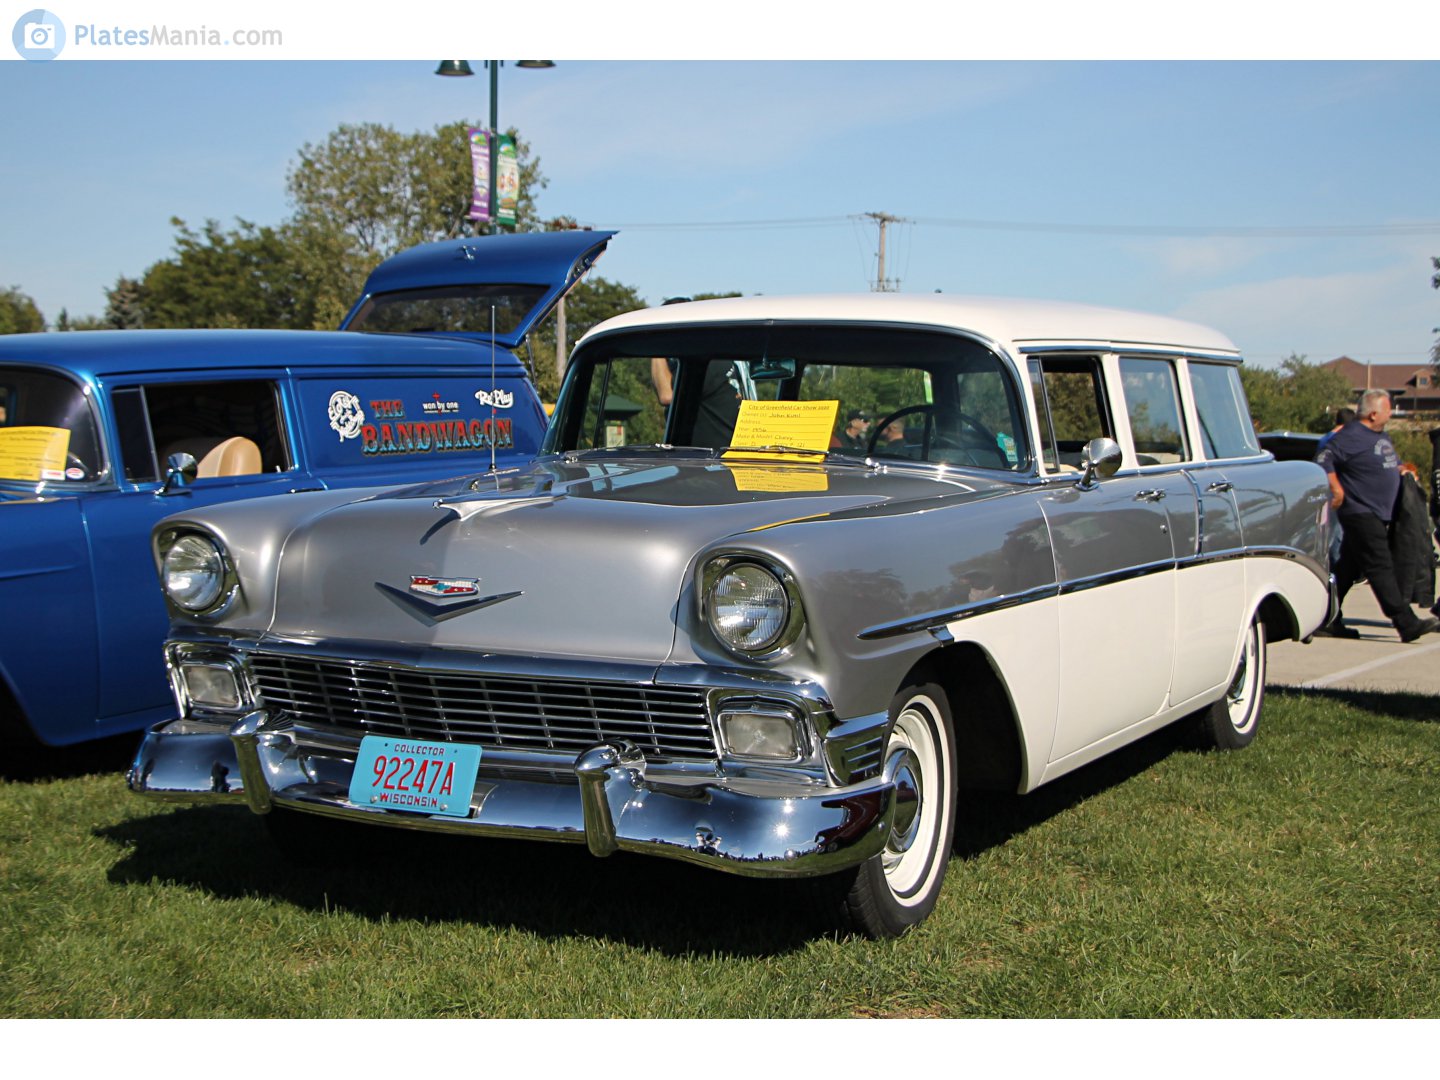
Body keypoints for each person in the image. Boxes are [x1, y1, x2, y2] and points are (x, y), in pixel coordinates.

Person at [1317, 390, 1439, 642]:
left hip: (1378, 512)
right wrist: (1336, 488)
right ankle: (1406, 623)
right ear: (1373, 414)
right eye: (1388, 409)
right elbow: (1323, 458)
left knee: (1347, 569)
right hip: (1360, 511)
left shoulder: (1380, 435)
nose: (1391, 414)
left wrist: (1402, 469)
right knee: (1380, 566)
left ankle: (1324, 617)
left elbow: (1389, 461)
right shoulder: (1350, 435)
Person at [1315, 407, 1357, 569]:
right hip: (1337, 492)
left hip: (1325, 491)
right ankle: (1337, 569)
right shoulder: (1338, 440)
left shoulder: (1324, 439)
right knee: (1337, 535)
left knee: (1328, 532)